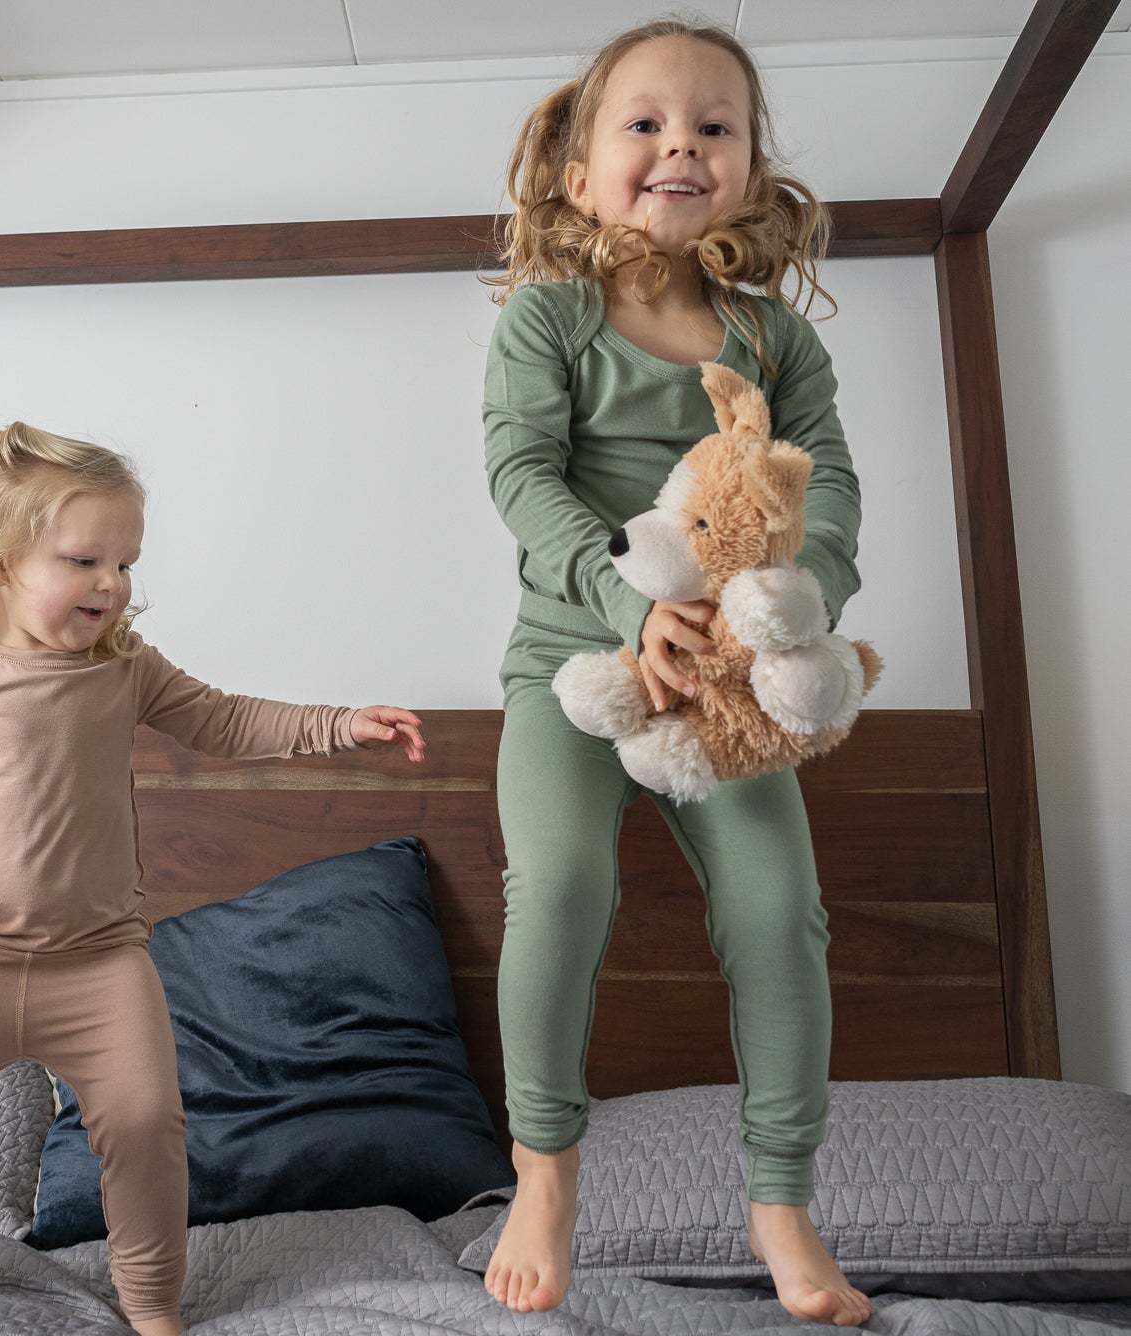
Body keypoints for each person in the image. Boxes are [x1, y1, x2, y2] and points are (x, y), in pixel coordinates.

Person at [0, 423, 425, 1333]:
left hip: (101, 966)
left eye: (126, 563)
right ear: (0, 561)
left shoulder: (125, 671)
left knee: (148, 1128)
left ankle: (151, 1312)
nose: (112, 584)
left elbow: (224, 721)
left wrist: (342, 724)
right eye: (85, 560)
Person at [480, 18, 871, 1327]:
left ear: (751, 172)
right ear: (580, 166)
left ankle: (781, 1203)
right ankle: (543, 1173)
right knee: (562, 887)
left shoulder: (772, 344)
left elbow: (831, 493)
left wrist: (786, 614)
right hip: (572, 664)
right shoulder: (551, 316)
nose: (680, 145)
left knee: (778, 913)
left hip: (730, 688)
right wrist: (623, 601)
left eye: (715, 126)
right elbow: (521, 476)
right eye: (643, 123)